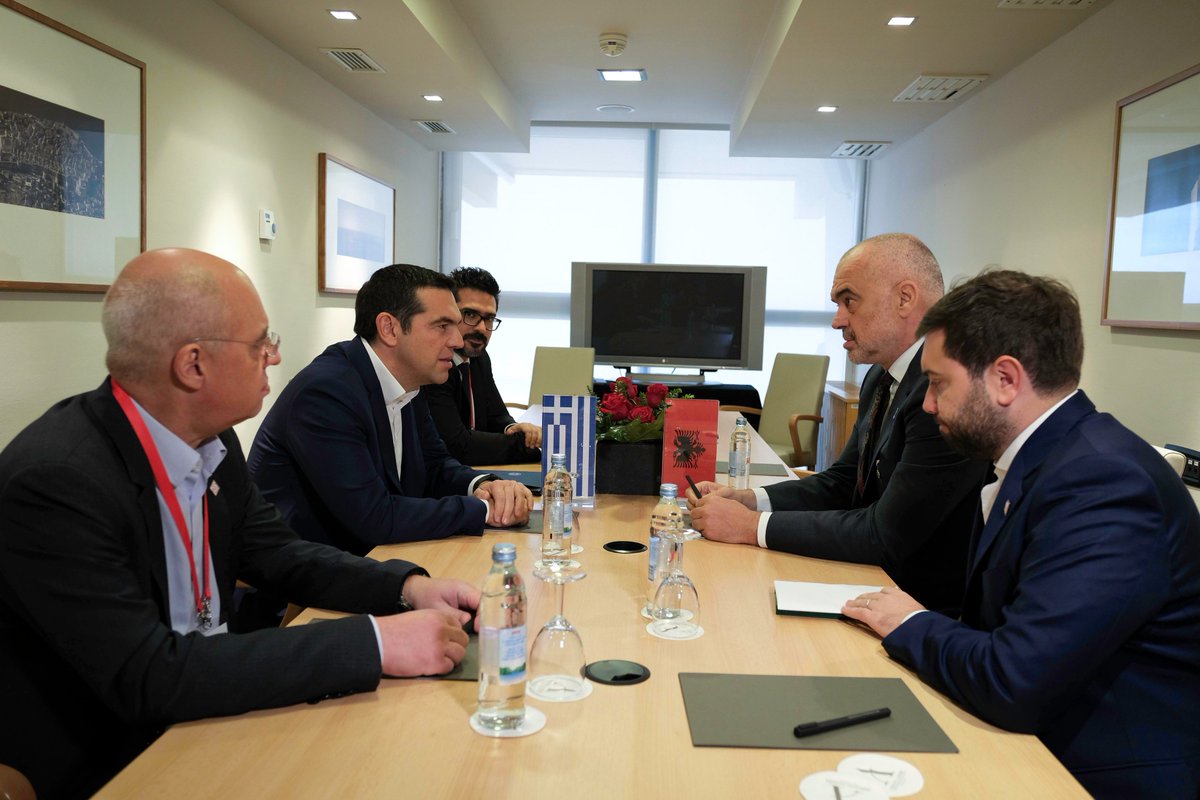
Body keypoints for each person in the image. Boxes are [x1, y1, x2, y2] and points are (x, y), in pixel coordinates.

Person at [0, 249, 479, 800]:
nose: (274, 356)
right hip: (114, 755)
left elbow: (282, 554)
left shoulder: (211, 437)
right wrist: (374, 642)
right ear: (193, 365)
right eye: (259, 344)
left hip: (210, 707)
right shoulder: (58, 482)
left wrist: (407, 587)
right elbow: (148, 676)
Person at [842, 270, 1200, 798]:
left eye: (939, 383)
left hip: (1091, 775)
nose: (927, 404)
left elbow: (1014, 678)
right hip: (1032, 740)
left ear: (1005, 379)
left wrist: (910, 622)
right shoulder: (1050, 459)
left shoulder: (1103, 483)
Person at [687, 234, 990, 613]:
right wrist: (751, 500)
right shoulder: (880, 378)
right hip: (867, 579)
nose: (837, 321)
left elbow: (884, 535)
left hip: (917, 606)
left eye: (849, 301)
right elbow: (845, 482)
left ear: (905, 298)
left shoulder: (943, 396)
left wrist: (750, 526)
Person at [248, 264, 532, 557]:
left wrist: (484, 485)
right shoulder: (326, 392)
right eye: (442, 326)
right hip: (308, 572)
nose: (457, 340)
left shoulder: (409, 380)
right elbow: (374, 516)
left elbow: (435, 465)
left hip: (372, 557)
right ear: (390, 329)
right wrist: (483, 509)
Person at [423, 267, 542, 465]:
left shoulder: (479, 357)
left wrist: (513, 428)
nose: (481, 328)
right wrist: (528, 448)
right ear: (448, 313)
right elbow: (458, 445)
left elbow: (497, 415)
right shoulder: (432, 364)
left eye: (489, 318)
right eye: (470, 314)